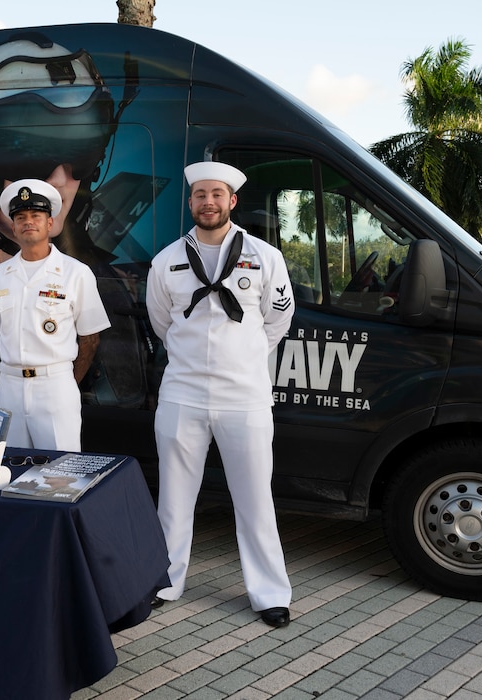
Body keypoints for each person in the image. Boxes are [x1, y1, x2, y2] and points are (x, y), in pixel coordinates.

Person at [0, 34, 148, 409]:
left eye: (83, 149)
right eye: (30, 151)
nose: (62, 181)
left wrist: (65, 388)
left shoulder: (91, 275)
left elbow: (96, 347)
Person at [146, 162, 295, 627]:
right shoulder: (166, 260)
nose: (207, 202)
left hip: (244, 398)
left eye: (217, 194)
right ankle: (164, 582)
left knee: (254, 498)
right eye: (200, 195)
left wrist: (243, 356)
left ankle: (270, 593)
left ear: (232, 202)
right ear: (190, 203)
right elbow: (161, 322)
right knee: (173, 498)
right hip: (182, 394)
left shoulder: (265, 257)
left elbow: (277, 321)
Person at [0, 180, 111, 451]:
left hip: (54, 386)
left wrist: (65, 382)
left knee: (59, 474)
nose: (28, 222)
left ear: (50, 223)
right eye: (20, 217)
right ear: (13, 226)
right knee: (8, 468)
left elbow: (90, 339)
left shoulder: (75, 273)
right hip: (9, 387)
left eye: (35, 216)